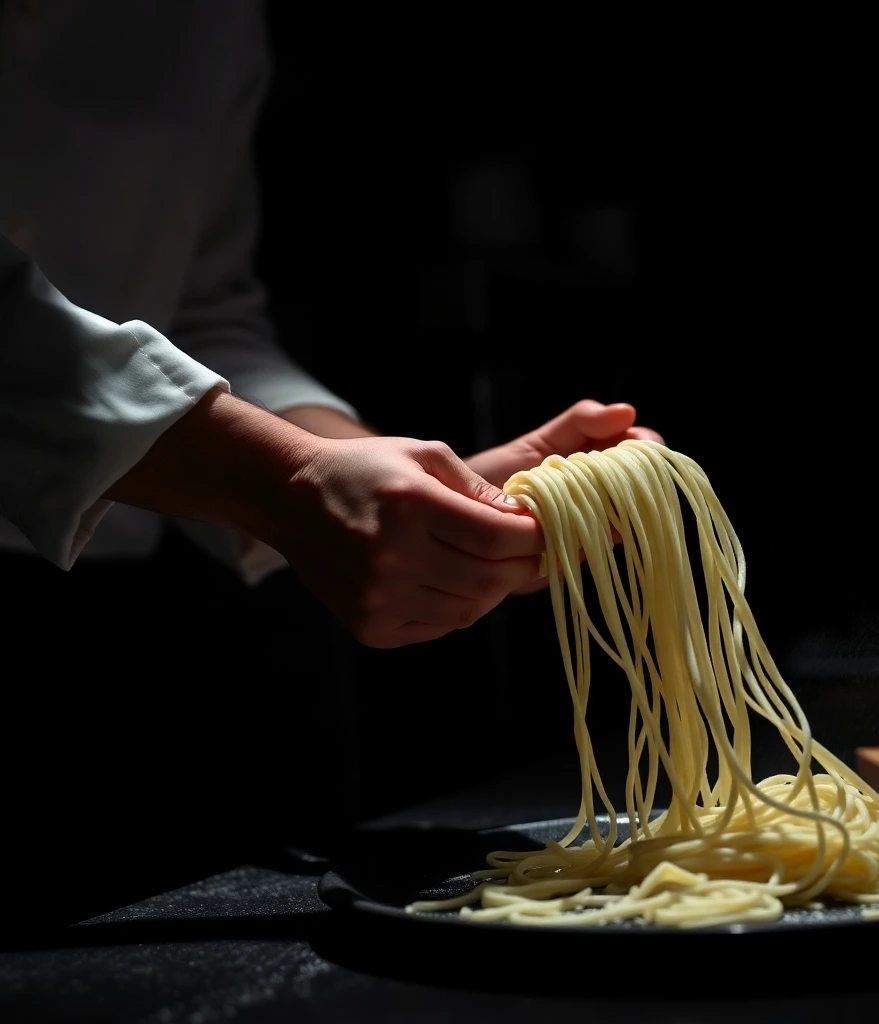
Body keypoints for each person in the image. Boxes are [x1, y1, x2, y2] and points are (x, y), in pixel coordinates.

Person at [0, 3, 661, 929]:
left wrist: (384, 480)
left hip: (107, 610)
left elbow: (197, 313)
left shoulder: (210, 20)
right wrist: (294, 479)